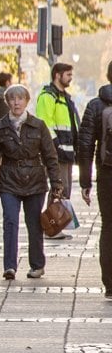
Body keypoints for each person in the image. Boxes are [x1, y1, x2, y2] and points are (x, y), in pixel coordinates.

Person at [0, 85, 63, 280]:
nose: (16, 102)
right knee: (10, 221)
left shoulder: (38, 125)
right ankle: (9, 266)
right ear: (7, 102)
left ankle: (37, 265)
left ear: (27, 101)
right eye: (13, 99)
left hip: (35, 181)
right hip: (9, 181)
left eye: (20, 98)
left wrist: (57, 183)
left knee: (34, 223)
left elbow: (50, 156)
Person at [76, 61, 112, 298]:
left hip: (107, 174)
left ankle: (110, 284)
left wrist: (85, 182)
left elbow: (85, 146)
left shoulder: (96, 105)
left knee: (108, 226)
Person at [36, 62, 79, 235]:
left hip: (67, 151)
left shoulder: (65, 98)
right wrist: (56, 146)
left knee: (65, 189)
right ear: (57, 75)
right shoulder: (48, 96)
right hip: (57, 151)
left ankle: (57, 226)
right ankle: (50, 227)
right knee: (58, 188)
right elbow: (45, 123)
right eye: (68, 75)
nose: (70, 78)